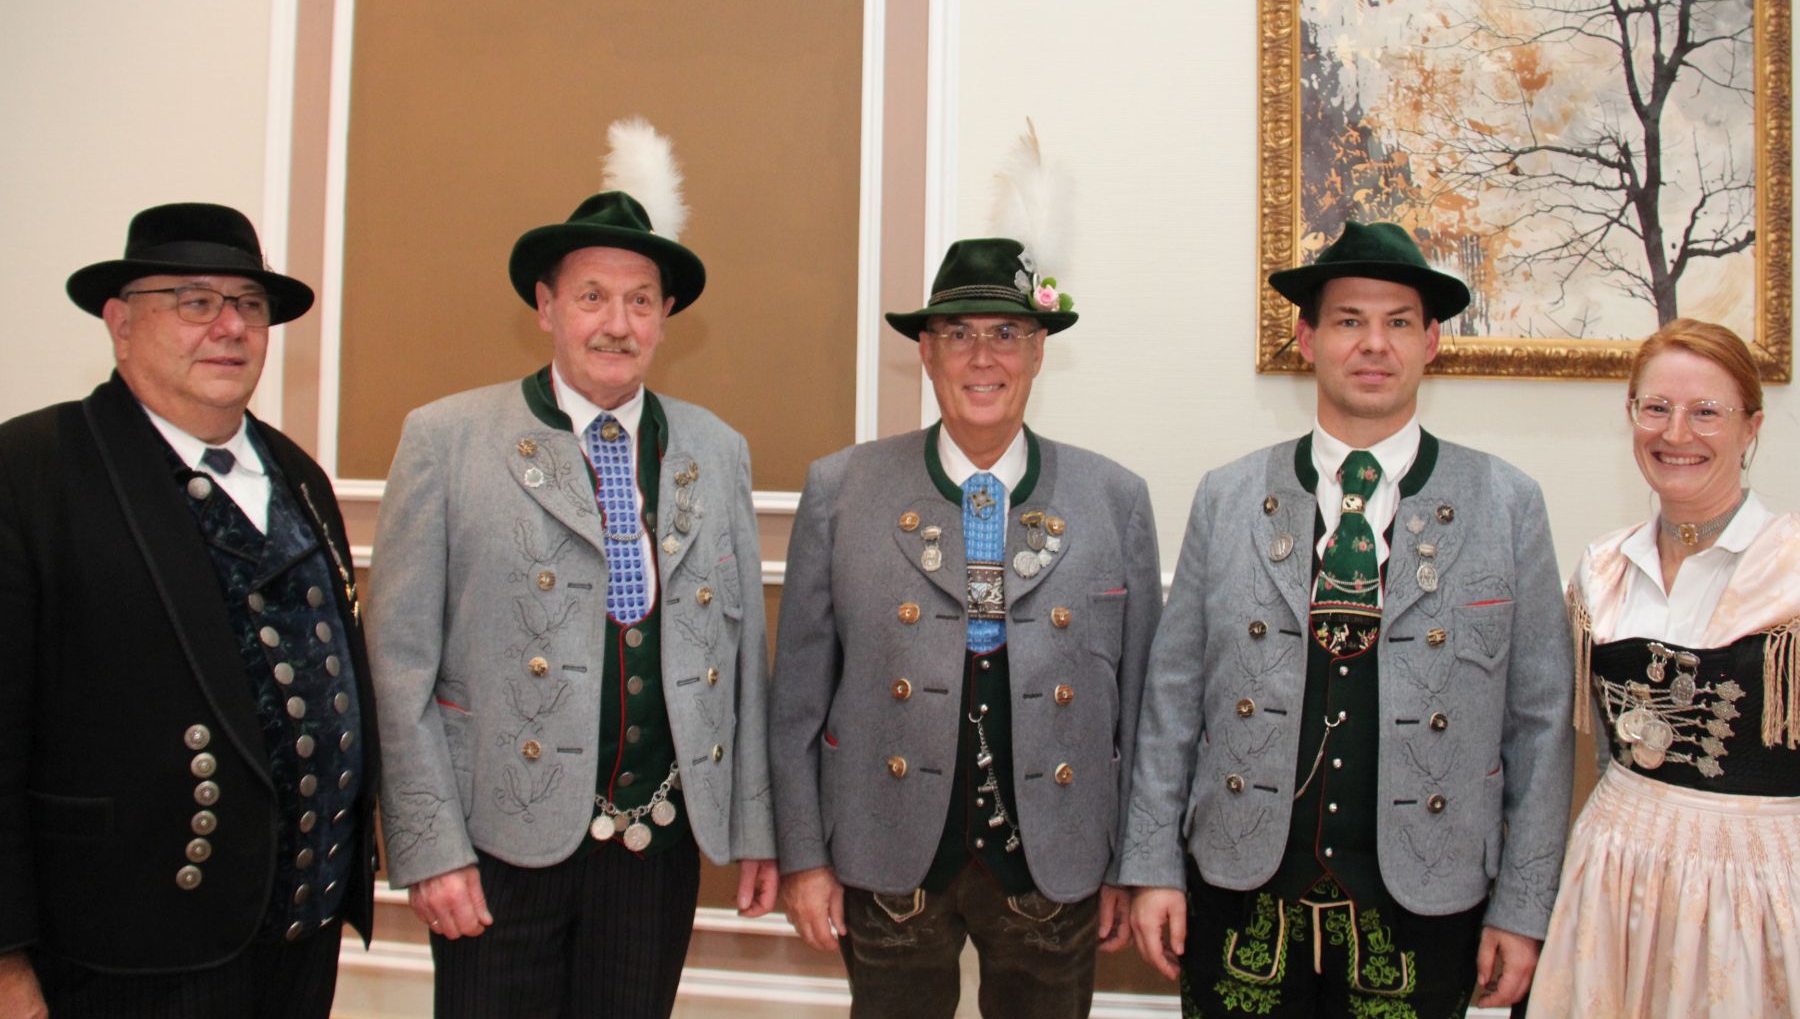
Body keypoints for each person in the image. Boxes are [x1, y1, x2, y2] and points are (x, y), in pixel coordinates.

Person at [368, 118, 777, 1019]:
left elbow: (745, 659)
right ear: (546, 307)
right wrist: (429, 847)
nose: (617, 324)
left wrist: (756, 824)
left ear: (664, 318)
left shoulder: (717, 449)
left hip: (655, 844)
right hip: (495, 845)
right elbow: (396, 668)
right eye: (592, 297)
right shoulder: (446, 439)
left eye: (640, 301)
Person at [1123, 220, 1572, 1017]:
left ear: (1432, 342)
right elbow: (1171, 701)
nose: (1374, 344)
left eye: (1398, 322)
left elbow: (1540, 725)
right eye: (1348, 321)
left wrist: (1525, 907)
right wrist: (1153, 866)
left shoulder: (1508, 504)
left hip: (1430, 899)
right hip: (1238, 886)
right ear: (1308, 339)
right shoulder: (1228, 497)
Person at [771, 125, 1162, 1019]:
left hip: (1059, 863)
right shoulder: (842, 489)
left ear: (1039, 350)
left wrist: (1134, 864)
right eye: (958, 334)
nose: (983, 357)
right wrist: (803, 857)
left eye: (1007, 334)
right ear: (927, 352)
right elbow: (797, 699)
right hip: (884, 855)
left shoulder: (1115, 499)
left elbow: (1144, 709)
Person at [0, 202, 379, 1019]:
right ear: (120, 323)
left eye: (249, 304)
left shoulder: (299, 475)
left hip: (300, 937)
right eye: (195, 301)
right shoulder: (30, 471)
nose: (230, 327)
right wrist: (3, 966)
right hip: (125, 948)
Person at [1527, 318, 1799, 1018]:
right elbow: (1575, 753)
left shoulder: (1793, 568)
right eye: (1656, 408)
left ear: (1751, 427)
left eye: (1707, 411)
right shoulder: (1602, 569)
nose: (1676, 433)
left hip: (1756, 890)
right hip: (1611, 875)